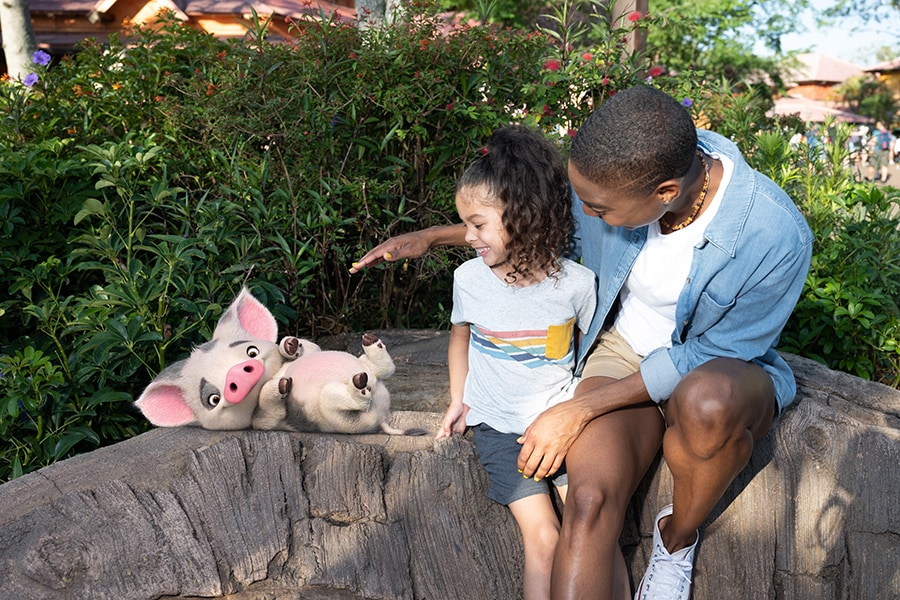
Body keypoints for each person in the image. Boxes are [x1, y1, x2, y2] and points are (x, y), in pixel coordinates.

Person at [351, 85, 813, 600]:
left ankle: (676, 540)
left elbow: (709, 354)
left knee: (707, 401)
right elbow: (532, 224)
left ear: (664, 192)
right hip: (620, 352)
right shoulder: (623, 167)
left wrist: (579, 409)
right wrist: (435, 237)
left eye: (598, 209)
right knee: (589, 500)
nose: (585, 217)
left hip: (716, 372)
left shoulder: (773, 235)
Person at [434, 125, 598, 600]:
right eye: (465, 224)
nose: (467, 237)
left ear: (522, 215)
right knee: (544, 536)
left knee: (589, 531)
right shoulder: (469, 280)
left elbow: (590, 357)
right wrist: (458, 399)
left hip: (561, 426)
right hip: (501, 430)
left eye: (478, 225)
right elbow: (459, 339)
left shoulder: (576, 284)